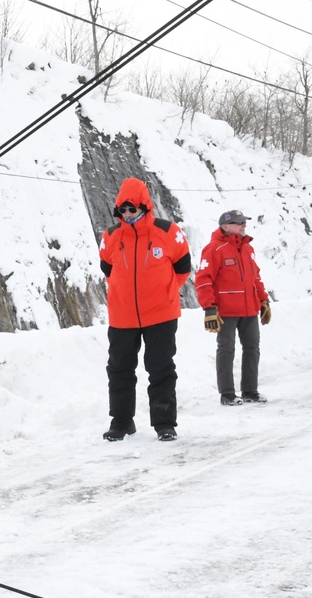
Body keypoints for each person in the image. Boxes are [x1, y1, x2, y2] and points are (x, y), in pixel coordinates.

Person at [98, 178, 192, 442]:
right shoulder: (111, 236)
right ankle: (122, 421)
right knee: (119, 369)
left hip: (161, 314)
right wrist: (123, 292)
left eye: (132, 209)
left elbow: (183, 268)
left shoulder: (168, 231)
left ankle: (164, 423)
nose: (128, 215)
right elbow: (107, 269)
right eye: (123, 210)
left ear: (144, 207)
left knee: (161, 367)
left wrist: (164, 291)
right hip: (122, 316)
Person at [195, 209, 271, 405]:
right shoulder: (213, 249)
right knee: (226, 349)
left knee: (252, 348)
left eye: (244, 222)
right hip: (226, 311)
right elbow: (203, 280)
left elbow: (256, 278)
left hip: (249, 310)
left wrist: (263, 300)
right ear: (225, 227)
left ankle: (250, 391)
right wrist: (209, 308)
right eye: (239, 223)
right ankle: (227, 394)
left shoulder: (248, 249)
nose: (243, 225)